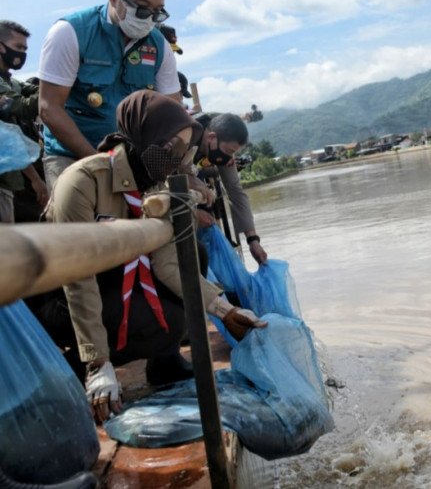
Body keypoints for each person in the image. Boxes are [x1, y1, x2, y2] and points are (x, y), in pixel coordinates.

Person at [44, 90, 266, 422]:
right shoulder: (82, 182)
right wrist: (98, 362)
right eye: (170, 147)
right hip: (62, 297)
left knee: (188, 278)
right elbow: (77, 277)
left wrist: (226, 309)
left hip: (112, 281)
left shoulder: (154, 187)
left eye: (183, 150)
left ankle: (163, 361)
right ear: (143, 136)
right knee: (157, 325)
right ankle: (77, 362)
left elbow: (168, 263)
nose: (177, 160)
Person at [38, 0, 181, 191]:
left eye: (157, 13)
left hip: (135, 161)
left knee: (154, 221)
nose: (149, 18)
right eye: (142, 7)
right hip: (71, 155)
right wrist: (101, 163)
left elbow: (172, 115)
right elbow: (49, 108)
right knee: (78, 224)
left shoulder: (159, 47)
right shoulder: (70, 33)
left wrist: (173, 171)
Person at [194, 112, 268, 264]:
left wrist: (253, 240)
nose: (230, 158)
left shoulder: (225, 150)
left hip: (198, 168)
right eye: (229, 152)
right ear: (212, 137)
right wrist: (193, 214)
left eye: (233, 153)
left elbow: (235, 191)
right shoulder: (187, 134)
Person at [0, 20, 48, 223]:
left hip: (19, 180)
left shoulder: (12, 82)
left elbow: (38, 93)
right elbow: (24, 107)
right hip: (9, 178)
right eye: (18, 47)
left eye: (25, 48)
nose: (22, 53)